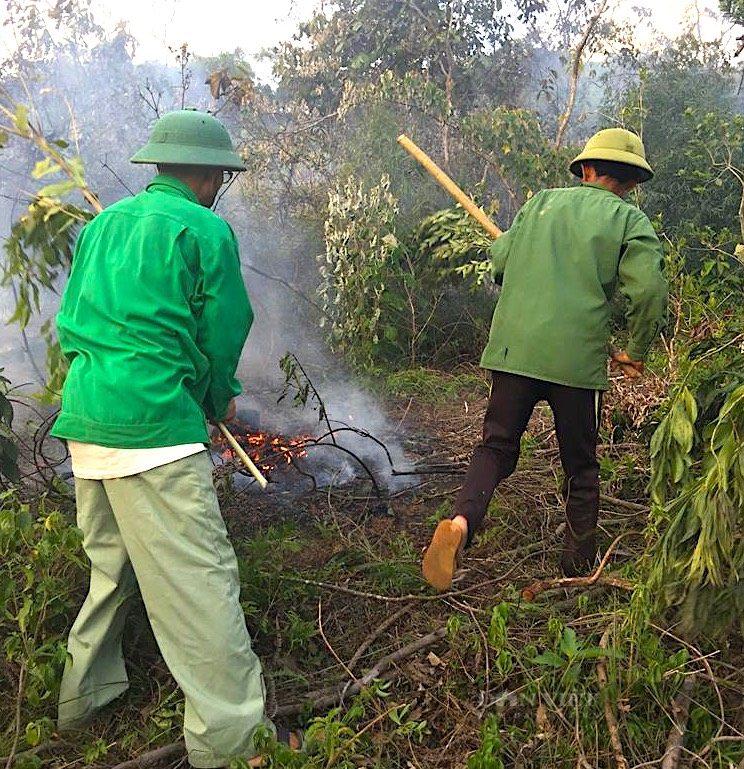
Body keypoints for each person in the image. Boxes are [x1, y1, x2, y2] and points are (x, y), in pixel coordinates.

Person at [52, 109, 302, 767]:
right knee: (202, 585)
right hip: (154, 430)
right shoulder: (204, 227)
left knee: (111, 570)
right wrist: (214, 396)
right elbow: (224, 329)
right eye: (221, 174)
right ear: (211, 173)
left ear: (158, 164)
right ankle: (236, 743)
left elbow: (73, 321)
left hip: (86, 419)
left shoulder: (103, 224)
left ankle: (84, 705)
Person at [422, 128, 669, 591]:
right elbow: (649, 290)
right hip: (575, 362)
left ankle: (459, 525)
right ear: (633, 182)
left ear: (587, 170)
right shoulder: (629, 221)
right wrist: (636, 349)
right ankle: (577, 566)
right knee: (580, 464)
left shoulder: (540, 204)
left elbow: (499, 264)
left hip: (515, 352)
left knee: (495, 448)